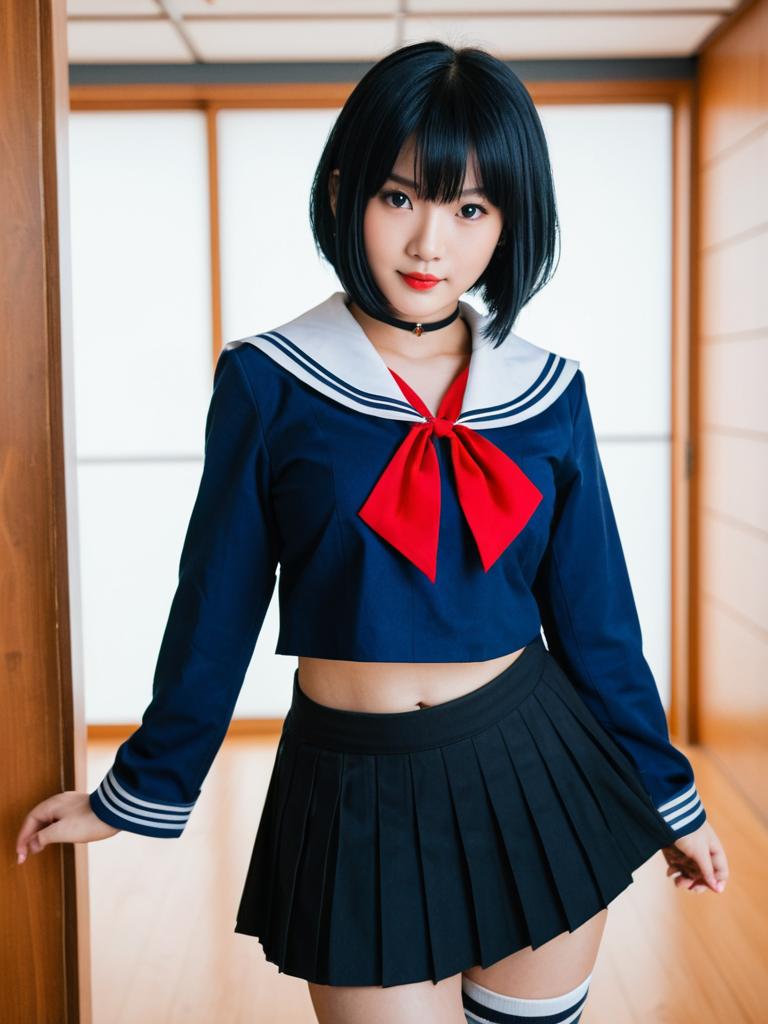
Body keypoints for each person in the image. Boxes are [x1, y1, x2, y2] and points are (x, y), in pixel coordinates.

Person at [16, 40, 728, 1024]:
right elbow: (215, 602)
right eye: (401, 197)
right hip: (355, 790)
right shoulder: (271, 379)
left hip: (536, 765)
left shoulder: (550, 392)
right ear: (348, 191)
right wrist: (135, 788)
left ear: (509, 223)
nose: (430, 243)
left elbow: (598, 621)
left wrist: (669, 796)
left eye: (470, 208)